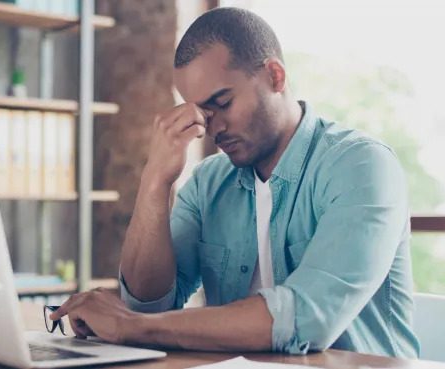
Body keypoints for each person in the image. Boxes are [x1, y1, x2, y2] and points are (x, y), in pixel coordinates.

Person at [50, 7, 420, 358]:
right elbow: (149, 303)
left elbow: (306, 319)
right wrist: (154, 181)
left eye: (222, 103)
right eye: (200, 113)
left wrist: (132, 327)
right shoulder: (208, 181)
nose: (211, 128)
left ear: (275, 76)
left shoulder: (360, 165)